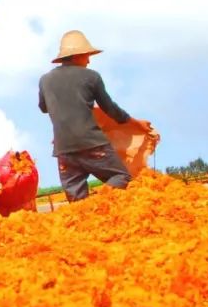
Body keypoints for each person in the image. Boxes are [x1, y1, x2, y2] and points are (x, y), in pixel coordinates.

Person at [38, 30, 152, 202]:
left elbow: (44, 108)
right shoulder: (91, 77)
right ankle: (99, 203)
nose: (89, 60)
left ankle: (88, 217)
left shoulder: (45, 80)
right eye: (86, 56)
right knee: (122, 178)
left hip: (64, 151)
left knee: (77, 202)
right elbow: (110, 109)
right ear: (76, 56)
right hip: (92, 144)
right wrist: (136, 123)